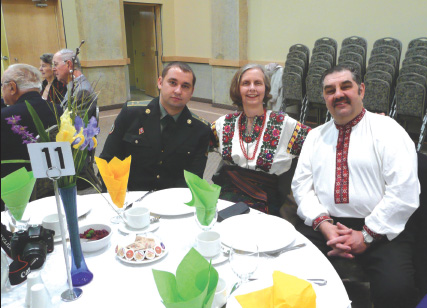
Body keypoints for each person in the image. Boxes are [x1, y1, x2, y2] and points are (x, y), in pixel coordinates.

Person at [291, 64, 420, 307]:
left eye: (345, 86)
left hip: (381, 228)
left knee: (396, 290)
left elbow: (403, 192)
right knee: (287, 269)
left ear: (361, 90)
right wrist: (325, 225)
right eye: (330, 90)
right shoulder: (315, 136)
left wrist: (366, 235)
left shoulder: (388, 130)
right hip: (325, 225)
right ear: (324, 98)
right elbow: (301, 187)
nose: (338, 94)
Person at [210, 64, 311, 215]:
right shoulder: (224, 123)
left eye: (258, 83)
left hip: (264, 199)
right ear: (238, 89)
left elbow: (316, 143)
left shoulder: (283, 123)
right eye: (246, 83)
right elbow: (197, 141)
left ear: (266, 89)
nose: (252, 88)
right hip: (227, 194)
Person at [99, 62, 211, 191]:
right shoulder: (131, 114)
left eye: (185, 86)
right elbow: (108, 161)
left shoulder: (200, 129)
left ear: (191, 92)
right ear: (160, 83)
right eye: (173, 83)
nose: (178, 91)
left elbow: (194, 180)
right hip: (131, 199)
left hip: (173, 203)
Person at [1, 64, 63, 210]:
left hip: (16, 192)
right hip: (54, 183)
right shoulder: (58, 110)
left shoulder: (4, 118)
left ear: (12, 87)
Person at [52, 49, 97, 119]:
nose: (53, 69)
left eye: (56, 64)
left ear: (69, 64)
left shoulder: (82, 91)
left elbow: (73, 125)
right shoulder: (73, 86)